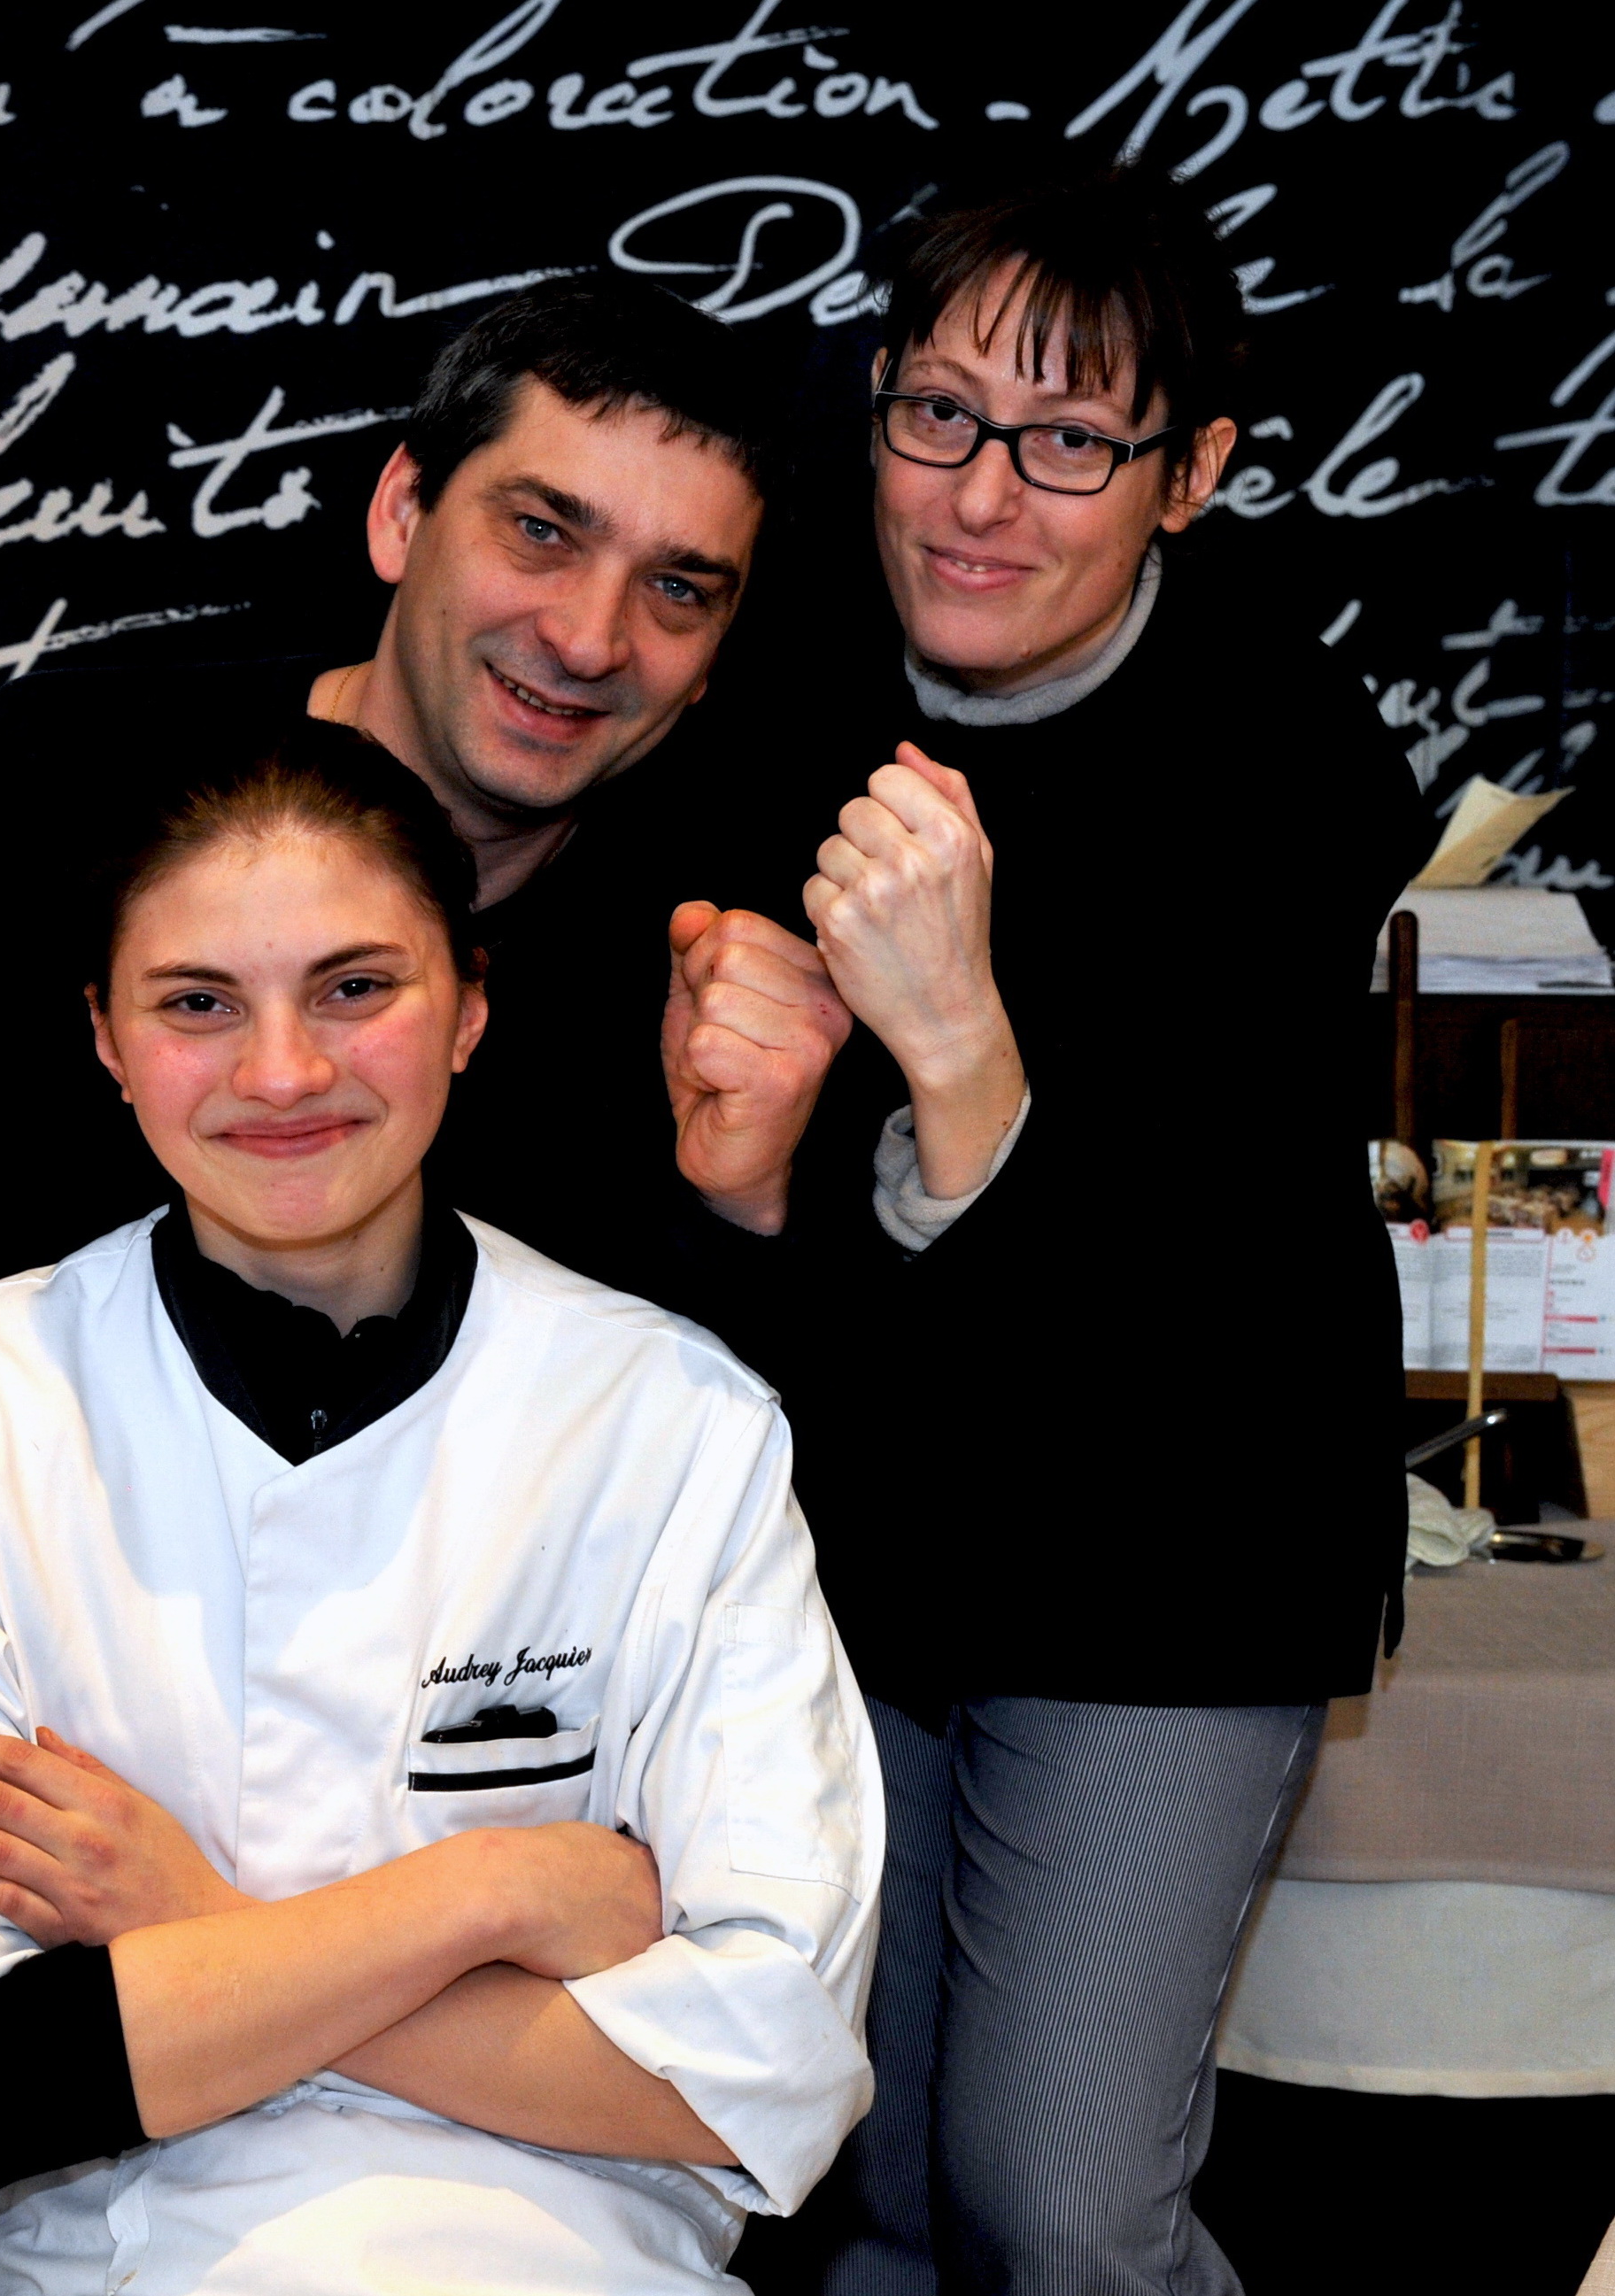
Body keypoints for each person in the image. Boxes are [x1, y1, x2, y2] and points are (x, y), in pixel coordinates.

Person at [0, 731, 878, 2291]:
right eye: (197, 1003)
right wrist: (498, 1890)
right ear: (104, 1038)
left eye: (353, 987)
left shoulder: (672, 1418)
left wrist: (190, 1922)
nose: (282, 1072)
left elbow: (768, 2071)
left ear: (469, 1006)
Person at [755, 174, 1436, 2296]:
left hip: (1173, 1559)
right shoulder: (778, 685)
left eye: (1068, 444)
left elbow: (1189, 1330)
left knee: (1054, 2199)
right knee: (856, 2187)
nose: (980, 497)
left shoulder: (1286, 772)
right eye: (937, 415)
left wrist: (957, 1048)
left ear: (1191, 476)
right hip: (863, 1546)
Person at [0, 278, 851, 1344]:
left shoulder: (747, 955)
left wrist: (739, 1205)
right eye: (540, 532)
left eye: (677, 590)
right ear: (400, 513)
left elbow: (741, 1451)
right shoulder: (55, 786)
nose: (590, 639)